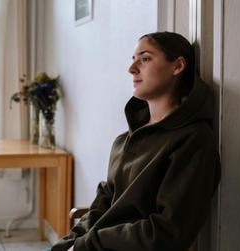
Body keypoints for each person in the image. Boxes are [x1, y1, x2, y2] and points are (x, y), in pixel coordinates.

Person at [51, 31, 221, 251]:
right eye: (133, 60)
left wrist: (88, 245)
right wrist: (70, 244)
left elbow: (167, 232)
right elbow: (102, 205)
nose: (132, 69)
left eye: (146, 58)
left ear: (177, 66)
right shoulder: (124, 141)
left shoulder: (193, 140)